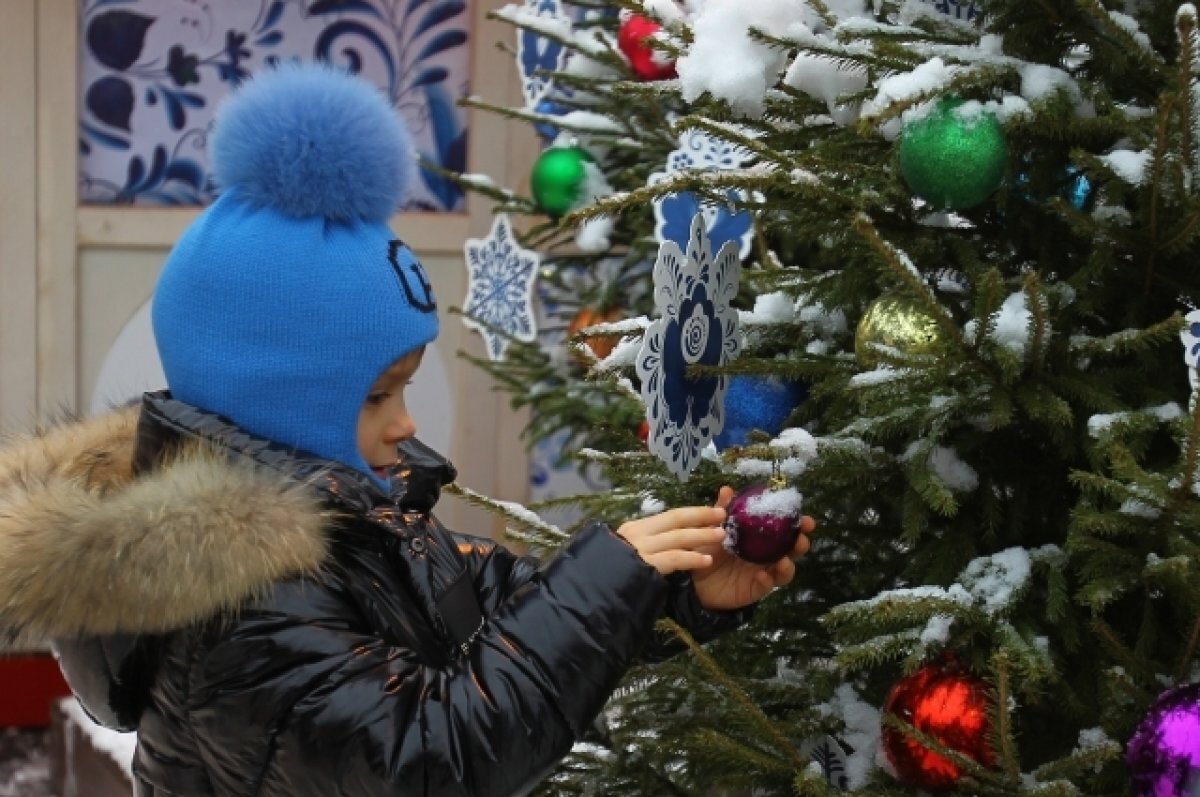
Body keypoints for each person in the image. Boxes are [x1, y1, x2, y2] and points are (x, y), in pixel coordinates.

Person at [0, 63, 814, 796]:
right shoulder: (237, 600)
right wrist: (607, 581)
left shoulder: (339, 524)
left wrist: (663, 589)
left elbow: (485, 605)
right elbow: (427, 757)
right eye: (377, 396)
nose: (407, 423)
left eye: (406, 387)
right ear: (278, 402)